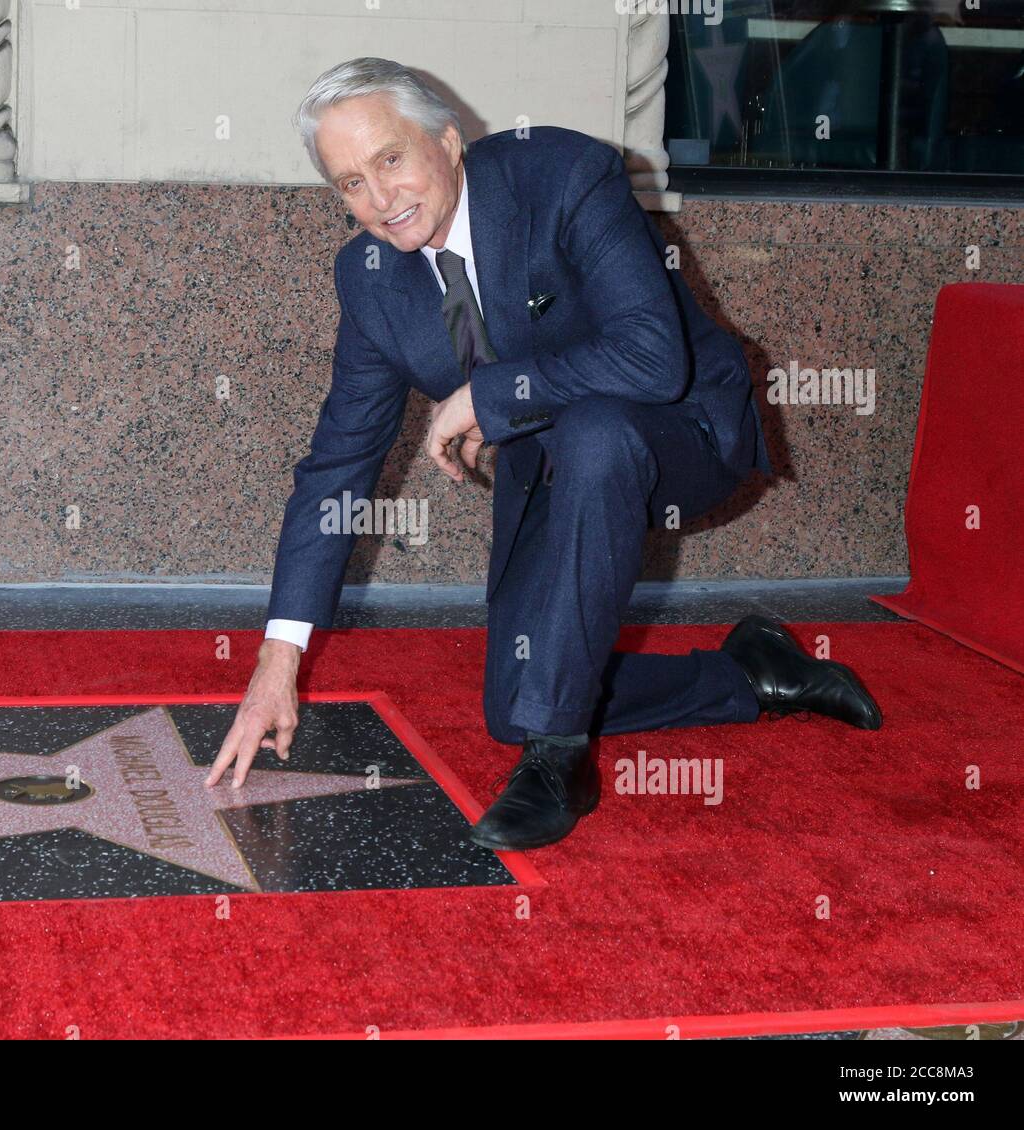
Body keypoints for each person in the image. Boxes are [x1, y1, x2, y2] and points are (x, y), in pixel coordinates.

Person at [205, 57, 881, 851]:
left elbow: (651, 357)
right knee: (514, 702)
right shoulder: (372, 278)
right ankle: (750, 670)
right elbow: (336, 467)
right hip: (553, 460)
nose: (380, 200)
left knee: (596, 439)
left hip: (680, 427)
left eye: (390, 160)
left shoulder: (562, 174)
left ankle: (561, 763)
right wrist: (277, 662)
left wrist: (485, 399)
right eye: (350, 183)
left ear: (449, 141)